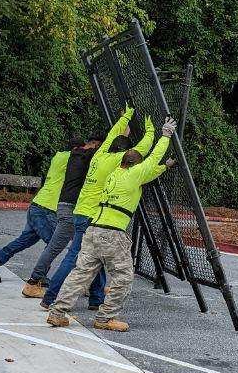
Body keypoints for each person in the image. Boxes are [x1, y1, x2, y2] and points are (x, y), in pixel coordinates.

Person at [47, 116, 176, 332]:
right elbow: (152, 158)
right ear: (136, 165)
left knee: (80, 274)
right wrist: (165, 135)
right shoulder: (135, 175)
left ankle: (57, 312)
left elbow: (149, 170)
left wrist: (164, 167)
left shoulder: (114, 174)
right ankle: (105, 317)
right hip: (113, 235)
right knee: (123, 277)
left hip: (93, 230)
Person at [39, 105, 153, 311]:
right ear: (124, 152)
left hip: (81, 211)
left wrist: (126, 117)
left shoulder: (100, 154)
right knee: (75, 259)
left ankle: (96, 299)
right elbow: (142, 149)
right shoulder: (116, 162)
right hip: (90, 215)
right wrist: (152, 131)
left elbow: (111, 135)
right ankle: (50, 297)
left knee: (95, 257)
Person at [0, 132, 101, 285]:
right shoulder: (71, 157)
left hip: (37, 205)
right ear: (76, 148)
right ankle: (40, 276)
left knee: (23, 241)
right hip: (47, 209)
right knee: (54, 244)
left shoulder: (59, 156)